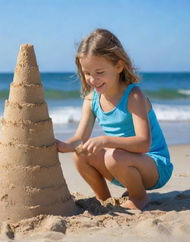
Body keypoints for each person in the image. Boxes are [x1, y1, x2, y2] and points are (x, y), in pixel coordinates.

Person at [56, 28, 173, 210]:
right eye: (87, 73)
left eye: (100, 72)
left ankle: (139, 197)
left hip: (154, 166)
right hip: (120, 164)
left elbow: (143, 144)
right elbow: (80, 138)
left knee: (113, 156)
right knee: (80, 154)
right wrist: (63, 146)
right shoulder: (91, 99)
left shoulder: (133, 96)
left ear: (119, 66)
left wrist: (105, 140)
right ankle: (105, 200)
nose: (93, 80)